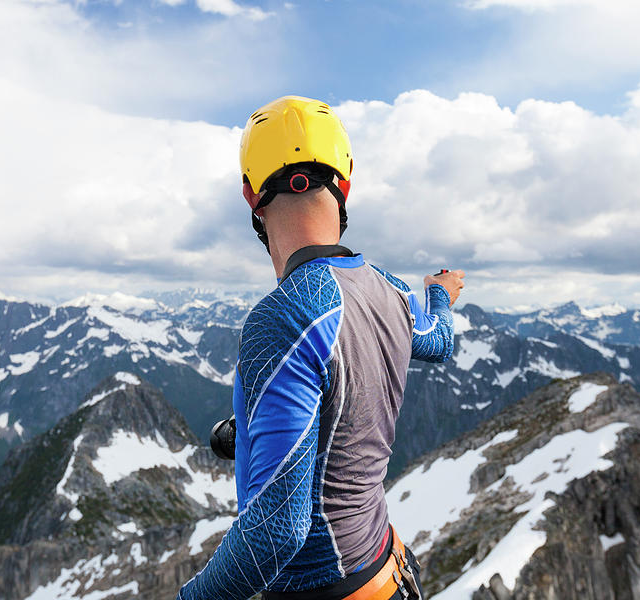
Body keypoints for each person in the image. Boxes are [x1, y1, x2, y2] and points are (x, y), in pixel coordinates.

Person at [177, 96, 464, 600]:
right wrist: (438, 294)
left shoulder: (284, 315)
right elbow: (437, 342)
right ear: (346, 185)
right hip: (386, 570)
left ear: (250, 196)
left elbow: (275, 533)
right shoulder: (390, 291)